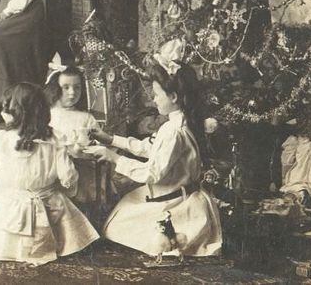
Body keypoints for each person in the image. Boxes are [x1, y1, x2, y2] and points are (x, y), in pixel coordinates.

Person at [85, 63, 222, 259]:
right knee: (121, 211)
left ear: (173, 97)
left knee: (116, 226)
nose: (153, 99)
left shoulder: (174, 131)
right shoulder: (176, 123)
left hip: (177, 200)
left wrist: (114, 157)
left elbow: (152, 173)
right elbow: (149, 148)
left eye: (157, 94)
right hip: (172, 192)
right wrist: (111, 139)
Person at [0, 83, 99, 265]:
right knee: (59, 200)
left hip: (9, 204)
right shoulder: (55, 138)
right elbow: (67, 175)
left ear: (11, 112)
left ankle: (11, 246)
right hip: (45, 199)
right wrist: (67, 187)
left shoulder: (2, 139)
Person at [45, 62, 99, 149]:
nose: (72, 92)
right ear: (55, 88)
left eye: (77, 87)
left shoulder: (86, 118)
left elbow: (98, 145)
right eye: (66, 87)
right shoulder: (46, 114)